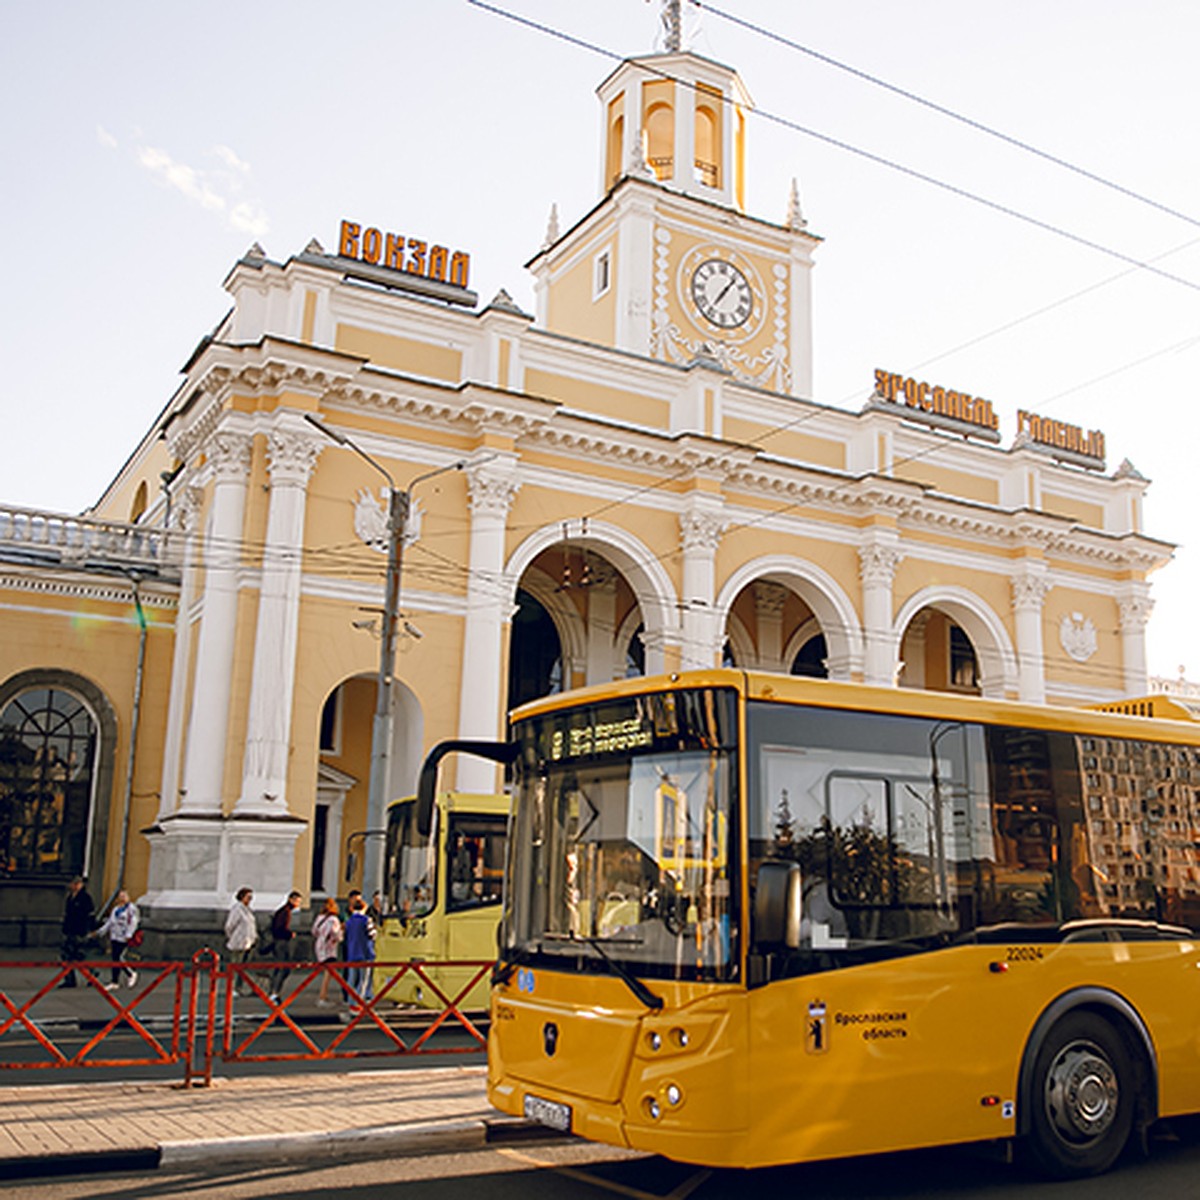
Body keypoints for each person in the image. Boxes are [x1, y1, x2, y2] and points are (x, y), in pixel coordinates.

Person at [97, 889, 139, 990]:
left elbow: (134, 922)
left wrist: (129, 934)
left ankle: (131, 973)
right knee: (115, 959)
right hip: (115, 936)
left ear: (128, 897)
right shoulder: (115, 909)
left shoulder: (131, 909)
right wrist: (101, 932)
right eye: (120, 896)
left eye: (124, 896)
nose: (122, 898)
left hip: (124, 937)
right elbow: (110, 923)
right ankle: (115, 981)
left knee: (119, 957)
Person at [59, 876, 96, 988]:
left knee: (79, 955)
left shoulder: (85, 898)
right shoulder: (70, 897)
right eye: (73, 883)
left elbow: (90, 916)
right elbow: (67, 915)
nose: (75, 886)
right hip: (70, 930)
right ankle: (70, 979)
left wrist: (90, 930)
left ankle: (92, 974)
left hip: (80, 931)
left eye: (77, 884)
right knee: (67, 955)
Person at [268, 890, 303, 1003]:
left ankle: (274, 991)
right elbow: (279, 929)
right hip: (281, 942)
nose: (298, 904)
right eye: (297, 901)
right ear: (291, 900)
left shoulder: (285, 911)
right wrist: (289, 934)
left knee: (282, 968)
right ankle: (274, 991)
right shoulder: (285, 912)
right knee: (282, 968)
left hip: (280, 941)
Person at [343, 895, 376, 1006]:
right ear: (364, 908)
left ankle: (349, 999)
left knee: (352, 978)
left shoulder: (349, 921)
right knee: (363, 979)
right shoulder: (366, 920)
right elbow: (373, 935)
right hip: (365, 953)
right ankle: (358, 1001)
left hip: (352, 953)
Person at [224, 886, 257, 996]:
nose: (250, 899)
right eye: (248, 897)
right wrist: (232, 937)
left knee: (243, 967)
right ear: (242, 897)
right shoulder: (237, 909)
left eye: (251, 897)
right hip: (238, 943)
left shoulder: (248, 910)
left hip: (248, 943)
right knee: (235, 966)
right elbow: (230, 925)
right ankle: (232, 987)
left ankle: (238, 987)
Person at [312, 896, 344, 1006]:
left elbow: (314, 931)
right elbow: (335, 934)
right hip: (329, 947)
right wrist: (341, 935)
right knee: (328, 973)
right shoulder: (333, 920)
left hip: (319, 945)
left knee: (327, 972)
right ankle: (322, 997)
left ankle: (323, 996)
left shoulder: (320, 917)